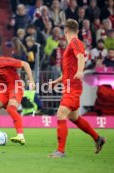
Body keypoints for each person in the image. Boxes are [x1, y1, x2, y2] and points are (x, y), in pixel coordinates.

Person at [48, 19, 106, 158]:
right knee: (74, 117)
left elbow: (81, 57)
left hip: (73, 87)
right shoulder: (70, 46)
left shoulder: (75, 42)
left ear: (65, 31)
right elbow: (68, 70)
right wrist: (56, 81)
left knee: (61, 113)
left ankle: (60, 151)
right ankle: (98, 138)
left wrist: (80, 71)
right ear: (78, 30)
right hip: (69, 86)